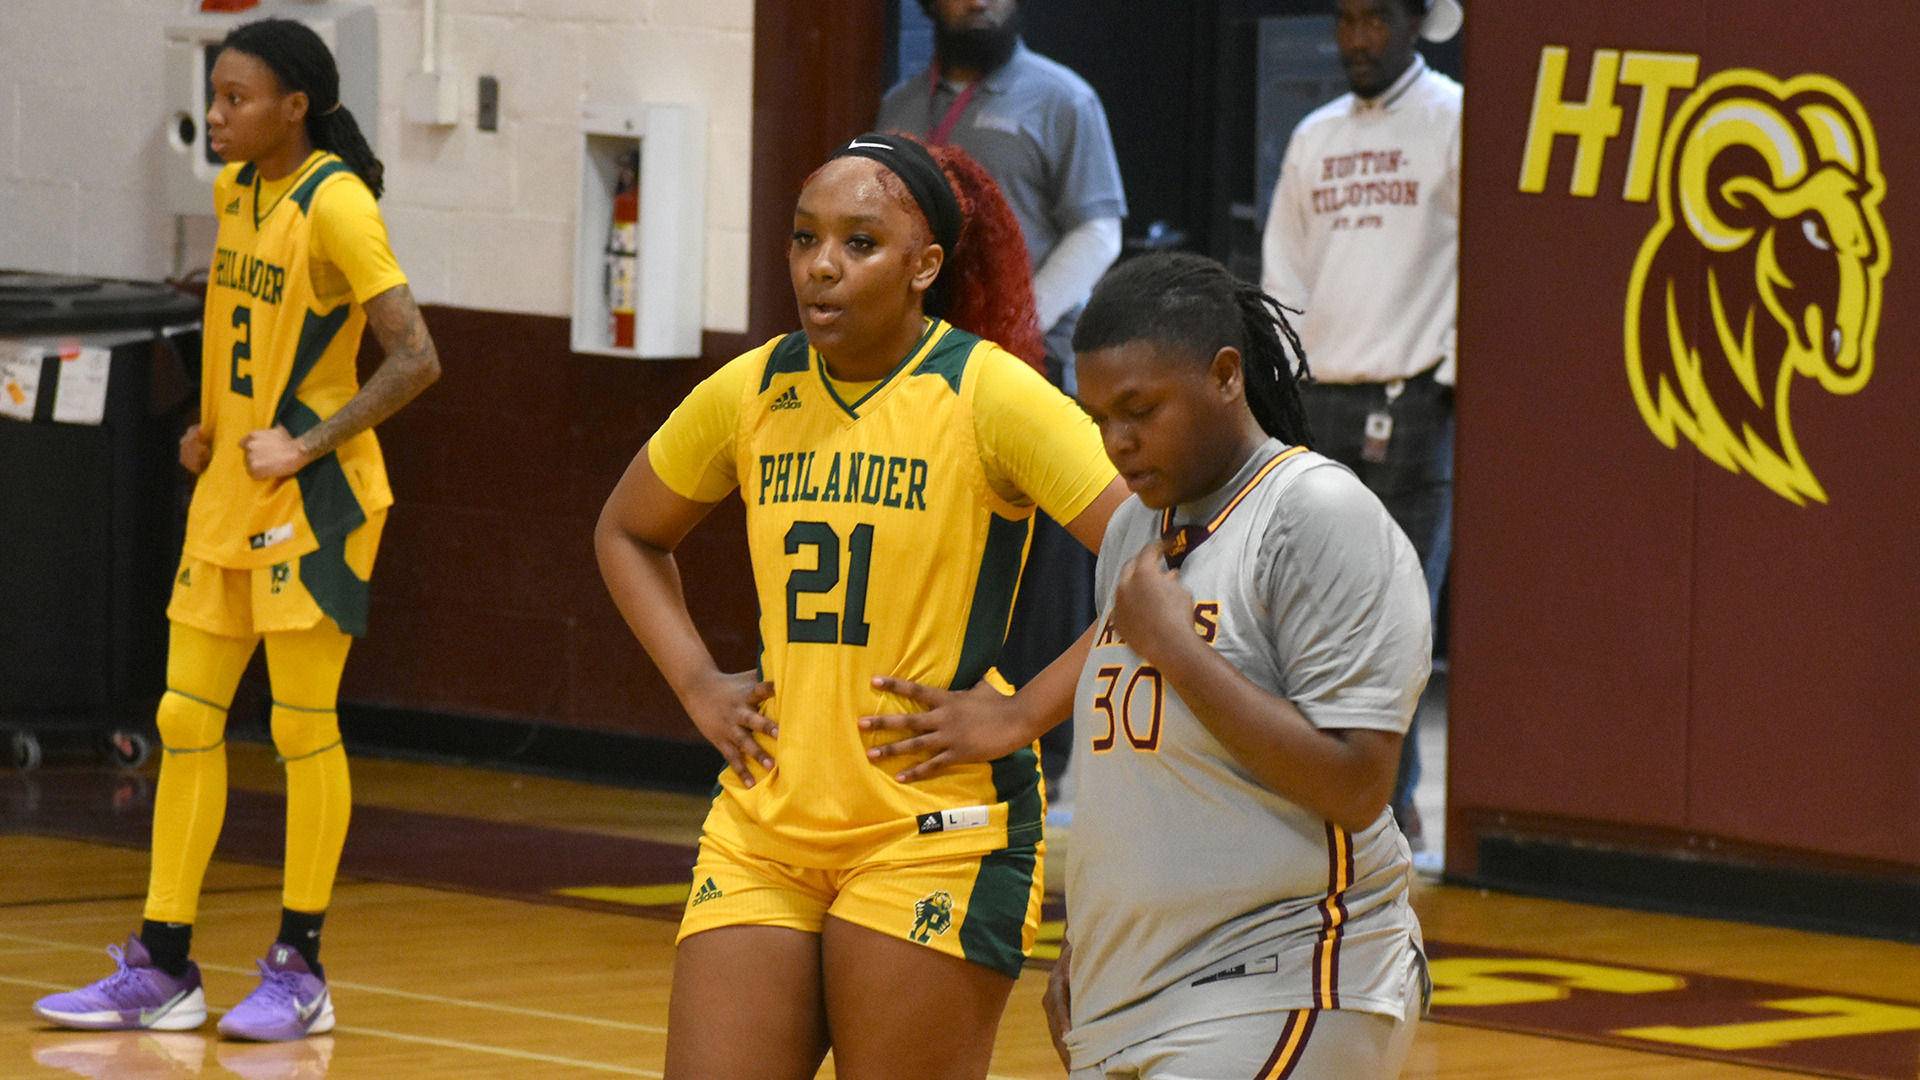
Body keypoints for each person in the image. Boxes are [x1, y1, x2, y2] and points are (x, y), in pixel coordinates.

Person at [595, 133, 1125, 1080]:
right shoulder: (754, 388)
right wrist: (696, 682)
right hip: (768, 819)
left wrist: (1025, 711)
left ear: (926, 267)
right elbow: (627, 531)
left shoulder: (989, 391)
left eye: (859, 242)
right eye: (804, 239)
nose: (822, 266)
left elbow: (1166, 554)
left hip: (931, 830)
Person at [34, 17, 441, 1042]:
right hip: (230, 492)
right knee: (183, 720)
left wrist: (303, 447)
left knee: (303, 729)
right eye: (213, 97)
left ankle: (301, 967)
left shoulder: (339, 207)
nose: (215, 116)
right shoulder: (234, 191)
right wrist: (213, 422)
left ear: (294, 107)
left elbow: (415, 357)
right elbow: (239, 323)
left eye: (236, 99)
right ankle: (164, 965)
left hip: (318, 503)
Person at [878, 0, 1129, 793]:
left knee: (1043, 565)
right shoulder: (896, 106)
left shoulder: (1065, 98)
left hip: (1025, 364)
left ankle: (1043, 755)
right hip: (918, 373)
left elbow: (1098, 231)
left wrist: (1020, 322)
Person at [1260, 0, 1462, 850]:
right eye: (1346, 21)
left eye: (1377, 19)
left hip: (1412, 397)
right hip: (1322, 400)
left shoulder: (1455, 119)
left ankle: (1388, 804)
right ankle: (1315, 801)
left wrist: (1448, 372)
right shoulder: (1314, 135)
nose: (1358, 39)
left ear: (1417, 21)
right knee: (1308, 615)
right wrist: (1283, 396)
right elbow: (1283, 272)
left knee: (1397, 615)